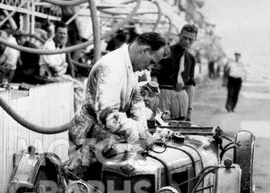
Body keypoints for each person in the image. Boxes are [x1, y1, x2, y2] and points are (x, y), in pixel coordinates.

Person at [68, 32, 167, 177]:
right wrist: (139, 134)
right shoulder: (111, 67)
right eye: (151, 62)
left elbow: (136, 100)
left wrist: (144, 132)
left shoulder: (130, 66)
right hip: (87, 140)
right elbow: (109, 117)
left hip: (106, 140)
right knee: (82, 192)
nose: (149, 69)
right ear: (144, 50)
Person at [151, 24, 198, 121]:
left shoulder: (191, 59)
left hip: (182, 96)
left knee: (181, 129)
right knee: (162, 127)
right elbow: (154, 75)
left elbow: (191, 85)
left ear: (195, 40)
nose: (187, 41)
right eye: (184, 37)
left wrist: (189, 109)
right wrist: (154, 99)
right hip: (164, 94)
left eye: (190, 39)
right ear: (179, 35)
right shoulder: (166, 52)